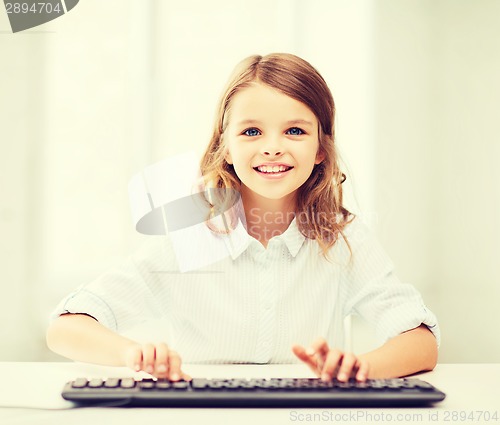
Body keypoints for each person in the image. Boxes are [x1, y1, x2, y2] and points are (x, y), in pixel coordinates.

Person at [46, 53, 439, 384]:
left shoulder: (342, 238)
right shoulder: (187, 237)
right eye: (252, 131)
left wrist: (362, 368)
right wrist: (134, 354)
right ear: (226, 148)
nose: (272, 147)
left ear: (321, 148)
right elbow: (65, 328)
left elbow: (421, 342)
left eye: (295, 131)